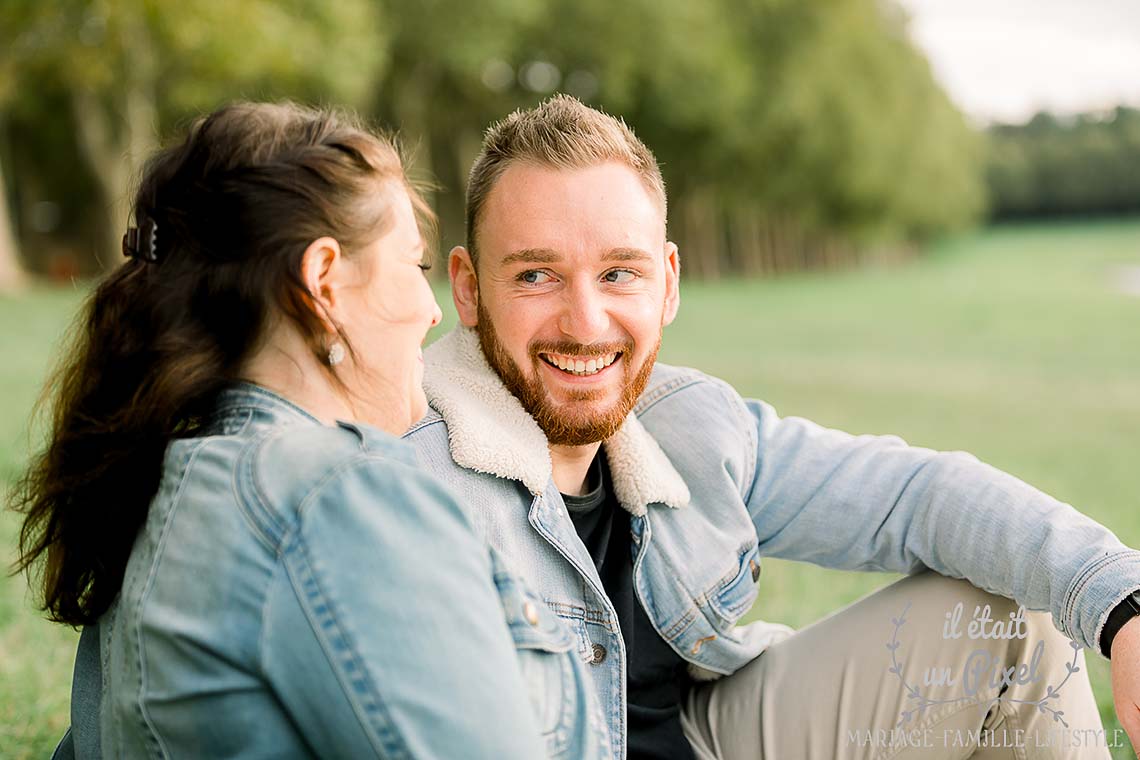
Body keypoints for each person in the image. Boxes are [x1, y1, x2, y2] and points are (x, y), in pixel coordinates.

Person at [403, 94, 1140, 759]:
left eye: (619, 273)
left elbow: (917, 496)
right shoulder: (406, 482)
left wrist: (1122, 603)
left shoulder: (688, 427)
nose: (586, 322)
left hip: (708, 737)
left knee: (1008, 630)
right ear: (468, 289)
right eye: (536, 275)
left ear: (669, 283)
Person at [13, 102, 611, 759]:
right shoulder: (336, 498)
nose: (431, 310)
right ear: (323, 280)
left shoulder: (158, 484)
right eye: (413, 265)